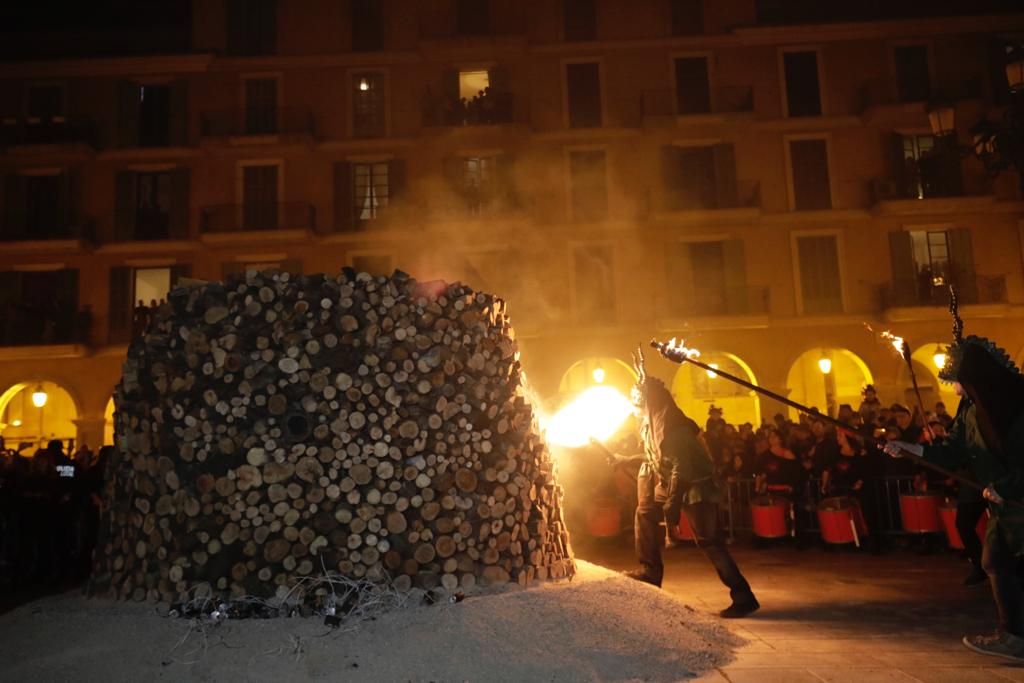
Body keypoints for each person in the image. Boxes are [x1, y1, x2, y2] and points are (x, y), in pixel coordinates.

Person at [885, 334, 1024, 661]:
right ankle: (1015, 636)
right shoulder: (969, 411)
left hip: (1017, 502)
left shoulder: (1016, 409)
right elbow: (952, 452)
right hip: (1004, 510)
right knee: (996, 560)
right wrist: (911, 449)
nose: (952, 387)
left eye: (955, 380)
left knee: (1009, 563)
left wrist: (1006, 487)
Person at [619, 347, 759, 618]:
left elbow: (681, 467)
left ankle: (743, 596)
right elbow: (659, 457)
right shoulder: (649, 423)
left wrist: (672, 503)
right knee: (645, 511)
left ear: (650, 401)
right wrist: (627, 458)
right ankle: (650, 571)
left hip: (695, 486)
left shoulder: (673, 425)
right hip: (673, 481)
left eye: (637, 401)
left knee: (709, 541)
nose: (634, 405)